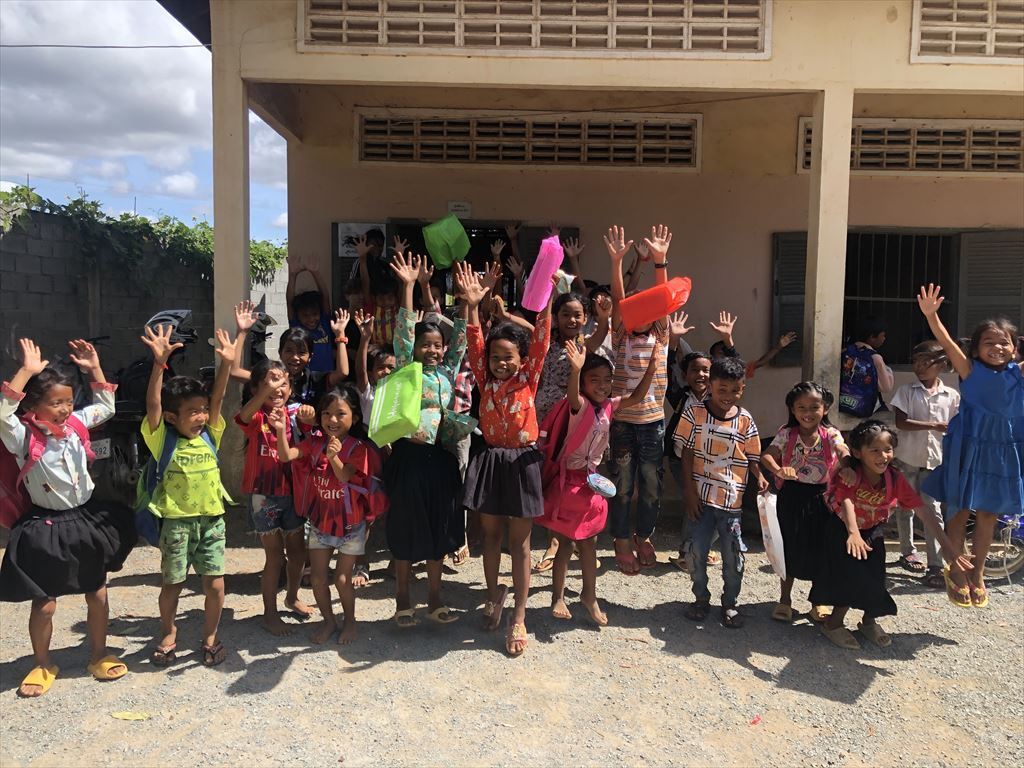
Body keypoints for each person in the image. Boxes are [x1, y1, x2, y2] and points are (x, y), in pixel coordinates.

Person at [0, 339, 135, 697]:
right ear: (32, 405)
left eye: (69, 401)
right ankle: (42, 663)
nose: (64, 409)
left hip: (83, 520)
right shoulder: (22, 435)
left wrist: (94, 369)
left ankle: (98, 654)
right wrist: (25, 371)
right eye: (55, 403)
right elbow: (2, 414)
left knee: (98, 592)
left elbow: (105, 407)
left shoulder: (76, 423)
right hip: (44, 526)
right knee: (45, 604)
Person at [455, 263, 551, 655]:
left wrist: (547, 300)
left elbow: (542, 340)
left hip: (523, 463)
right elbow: (474, 341)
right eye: (495, 357)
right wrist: (472, 305)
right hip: (491, 461)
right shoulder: (484, 379)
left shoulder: (529, 377)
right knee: (490, 536)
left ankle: (520, 616)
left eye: (509, 356)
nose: (501, 362)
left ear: (522, 359)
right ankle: (494, 594)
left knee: (520, 543)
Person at [811, 420, 971, 649]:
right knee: (850, 577)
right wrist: (853, 532)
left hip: (872, 531)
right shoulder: (851, 475)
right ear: (857, 452)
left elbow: (922, 509)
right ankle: (833, 624)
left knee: (876, 579)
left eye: (887, 449)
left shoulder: (894, 479)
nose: (883, 456)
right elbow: (846, 500)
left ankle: (868, 622)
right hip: (843, 531)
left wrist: (947, 546)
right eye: (874, 450)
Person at [539, 339, 661, 627]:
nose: (602, 385)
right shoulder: (579, 405)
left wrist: (652, 368)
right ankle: (558, 597)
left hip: (591, 485)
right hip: (568, 485)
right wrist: (575, 370)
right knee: (566, 544)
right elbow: (572, 395)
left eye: (607, 380)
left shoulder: (609, 406)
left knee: (590, 544)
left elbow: (637, 397)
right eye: (594, 380)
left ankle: (589, 596)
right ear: (583, 384)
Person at [917, 284, 1023, 608]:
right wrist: (932, 316)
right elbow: (946, 341)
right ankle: (955, 567)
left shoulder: (1017, 374)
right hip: (968, 444)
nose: (997, 347)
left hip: (1002, 449)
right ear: (976, 350)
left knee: (989, 513)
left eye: (1004, 342)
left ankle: (977, 572)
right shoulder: (969, 369)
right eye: (989, 342)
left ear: (1015, 349)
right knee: (960, 507)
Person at [382, 250, 469, 628]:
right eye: (425, 344)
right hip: (408, 459)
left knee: (438, 530)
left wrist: (467, 302)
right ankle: (403, 600)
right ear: (414, 349)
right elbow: (403, 330)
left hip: (441, 460)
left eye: (437, 345)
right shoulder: (407, 368)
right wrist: (408, 287)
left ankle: (434, 598)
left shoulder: (448, 372)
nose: (431, 350)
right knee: (405, 528)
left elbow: (462, 340)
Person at [141, 324, 235, 668]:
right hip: (176, 526)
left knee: (215, 585)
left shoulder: (211, 435)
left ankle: (210, 636)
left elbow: (218, 399)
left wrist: (227, 364)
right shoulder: (161, 439)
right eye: (193, 412)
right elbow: (153, 403)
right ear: (171, 417)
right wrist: (159, 364)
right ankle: (168, 633)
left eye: (202, 409)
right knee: (173, 584)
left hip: (212, 522)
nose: (201, 416)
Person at [273, 386, 376, 645]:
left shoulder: (358, 448)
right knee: (318, 579)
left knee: (342, 579)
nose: (332, 419)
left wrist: (333, 458)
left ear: (355, 417)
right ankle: (329, 621)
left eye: (340, 414)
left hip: (351, 525)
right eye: (327, 413)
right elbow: (285, 456)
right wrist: (280, 429)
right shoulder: (314, 442)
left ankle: (350, 621)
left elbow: (344, 476)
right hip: (322, 523)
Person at [674, 356, 765, 628]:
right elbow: (686, 453)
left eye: (735, 390)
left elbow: (752, 456)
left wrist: (760, 477)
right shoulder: (694, 414)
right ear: (711, 385)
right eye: (722, 389)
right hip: (701, 500)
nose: (728, 395)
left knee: (733, 556)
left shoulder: (745, 420)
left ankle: (730, 603)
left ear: (742, 388)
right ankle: (701, 598)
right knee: (696, 552)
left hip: (731, 502)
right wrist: (690, 493)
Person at [605, 225, 673, 575]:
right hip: (622, 424)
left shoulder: (661, 336)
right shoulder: (621, 336)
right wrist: (617, 262)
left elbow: (663, 298)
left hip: (652, 425)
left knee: (651, 485)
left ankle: (643, 535)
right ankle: (620, 538)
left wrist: (660, 262)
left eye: (649, 310)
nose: (642, 316)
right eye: (636, 310)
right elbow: (619, 301)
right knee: (622, 484)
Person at [531, 289, 612, 572]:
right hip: (546, 417)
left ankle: (572, 536)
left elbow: (600, 336)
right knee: (552, 474)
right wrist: (547, 294)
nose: (572, 320)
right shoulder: (545, 342)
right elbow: (536, 325)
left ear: (585, 317)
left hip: (574, 418)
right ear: (556, 317)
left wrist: (604, 318)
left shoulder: (583, 345)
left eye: (577, 315)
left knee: (572, 476)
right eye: (565, 314)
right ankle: (554, 540)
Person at [235, 359, 315, 636]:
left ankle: (292, 597)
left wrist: (310, 416)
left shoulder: (295, 414)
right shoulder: (257, 416)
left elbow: (314, 427)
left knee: (298, 552)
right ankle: (269, 614)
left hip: (293, 493)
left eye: (283, 382)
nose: (277, 388)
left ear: (291, 388)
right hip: (264, 496)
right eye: (269, 382)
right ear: (256, 388)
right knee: (274, 557)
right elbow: (244, 416)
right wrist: (264, 393)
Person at [760, 382, 848, 623]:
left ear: (825, 408)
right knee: (787, 547)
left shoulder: (831, 434)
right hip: (791, 497)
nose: (808, 413)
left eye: (814, 407)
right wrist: (778, 470)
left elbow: (842, 450)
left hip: (823, 498)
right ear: (792, 409)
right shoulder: (786, 434)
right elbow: (767, 455)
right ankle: (785, 599)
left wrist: (848, 461)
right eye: (801, 407)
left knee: (822, 548)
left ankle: (818, 601)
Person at [889, 340, 961, 589]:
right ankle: (908, 552)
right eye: (916, 362)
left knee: (932, 510)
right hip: (908, 458)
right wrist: (933, 426)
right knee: (905, 507)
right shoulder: (907, 391)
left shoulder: (951, 396)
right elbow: (901, 422)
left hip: (935, 461)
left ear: (941, 365)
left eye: (925, 362)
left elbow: (955, 428)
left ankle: (935, 564)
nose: (919, 367)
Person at [233, 300, 349, 407]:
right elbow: (235, 372)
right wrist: (242, 331)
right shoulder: (270, 376)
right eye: (289, 351)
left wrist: (340, 335)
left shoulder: (315, 379)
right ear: (280, 352)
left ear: (310, 357)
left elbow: (342, 372)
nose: (295, 357)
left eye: (301, 352)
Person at [286, 253, 336, 373]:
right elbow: (289, 301)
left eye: (314, 314)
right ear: (298, 316)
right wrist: (293, 275)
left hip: (327, 376)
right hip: (305, 378)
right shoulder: (297, 327)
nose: (311, 319)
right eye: (305, 315)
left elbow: (325, 296)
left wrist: (315, 272)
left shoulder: (324, 322)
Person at [839, 315, 894, 418]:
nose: (884, 338)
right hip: (867, 407)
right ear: (872, 337)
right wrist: (887, 370)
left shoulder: (844, 352)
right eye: (882, 335)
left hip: (843, 403)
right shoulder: (875, 358)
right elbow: (886, 387)